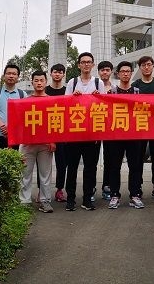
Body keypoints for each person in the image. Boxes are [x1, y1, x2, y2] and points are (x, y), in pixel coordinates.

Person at [63, 52, 106, 211]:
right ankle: (71, 199)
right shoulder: (72, 83)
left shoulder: (98, 82)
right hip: (74, 132)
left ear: (93, 65)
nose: (86, 65)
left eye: (89, 62)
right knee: (72, 167)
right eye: (83, 62)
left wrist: (98, 97)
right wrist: (73, 97)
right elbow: (65, 105)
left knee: (90, 168)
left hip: (92, 133)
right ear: (78, 65)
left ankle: (88, 198)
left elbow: (104, 105)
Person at [106, 61, 145, 209]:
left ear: (131, 73)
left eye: (128, 71)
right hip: (116, 135)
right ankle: (114, 195)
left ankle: (134, 195)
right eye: (123, 71)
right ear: (118, 74)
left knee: (135, 166)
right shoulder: (111, 93)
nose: (126, 74)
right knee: (114, 166)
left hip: (134, 136)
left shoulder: (137, 92)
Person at [19, 70, 55, 213]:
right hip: (27, 144)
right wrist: (22, 139)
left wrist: (53, 141)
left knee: (45, 175)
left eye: (42, 80)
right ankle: (24, 201)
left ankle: (45, 201)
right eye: (36, 80)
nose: (39, 83)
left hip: (45, 144)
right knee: (25, 173)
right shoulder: (25, 101)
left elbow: (55, 123)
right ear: (32, 82)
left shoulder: (52, 101)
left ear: (46, 82)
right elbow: (20, 123)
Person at [132, 55, 154, 199]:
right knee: (138, 157)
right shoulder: (136, 85)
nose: (146, 67)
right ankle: (138, 186)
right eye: (143, 65)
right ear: (140, 68)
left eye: (149, 64)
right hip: (140, 126)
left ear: (153, 66)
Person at [0, 63, 25, 148]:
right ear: (4, 76)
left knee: (15, 160)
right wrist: (3, 127)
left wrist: (11, 128)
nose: (11, 76)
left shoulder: (23, 95)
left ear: (18, 77)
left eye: (14, 74)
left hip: (16, 136)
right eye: (8, 73)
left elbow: (23, 115)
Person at [46, 63, 69, 203]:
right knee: (44, 165)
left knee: (62, 164)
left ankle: (59, 190)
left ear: (63, 74)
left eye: (60, 72)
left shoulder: (68, 91)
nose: (57, 74)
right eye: (55, 72)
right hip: (47, 132)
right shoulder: (44, 91)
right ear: (50, 73)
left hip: (63, 133)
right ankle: (43, 191)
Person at [97, 60, 114, 201]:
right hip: (96, 127)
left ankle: (107, 186)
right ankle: (90, 187)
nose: (105, 72)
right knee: (92, 159)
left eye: (107, 70)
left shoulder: (116, 88)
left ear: (111, 72)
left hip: (111, 128)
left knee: (110, 159)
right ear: (98, 72)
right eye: (102, 70)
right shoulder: (93, 85)